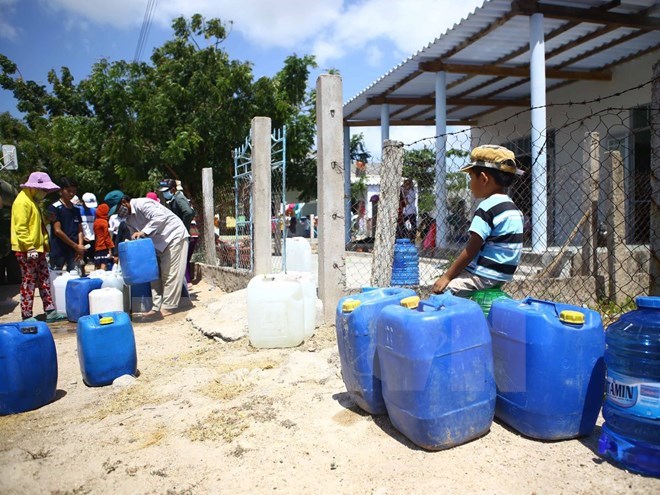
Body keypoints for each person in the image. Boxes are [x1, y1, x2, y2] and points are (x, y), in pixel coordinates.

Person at [432, 144, 524, 296]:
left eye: (471, 178)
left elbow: (471, 249)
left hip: (483, 275)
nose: (469, 184)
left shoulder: (487, 207)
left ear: (483, 178)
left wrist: (447, 276)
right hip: (501, 276)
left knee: (443, 293)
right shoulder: (513, 208)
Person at [106, 192, 190, 320]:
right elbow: (135, 235)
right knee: (153, 276)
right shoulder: (128, 219)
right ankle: (157, 307)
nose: (119, 213)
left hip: (173, 236)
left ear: (124, 202)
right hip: (155, 244)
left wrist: (143, 231)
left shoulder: (142, 203)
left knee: (170, 273)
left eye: (118, 209)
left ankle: (168, 306)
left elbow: (160, 216)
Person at [10, 172, 66, 322]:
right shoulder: (22, 202)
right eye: (44, 190)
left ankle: (50, 311)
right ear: (35, 187)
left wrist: (47, 219)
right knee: (28, 282)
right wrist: (29, 247)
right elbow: (20, 227)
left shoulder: (31, 201)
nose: (45, 193)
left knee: (44, 280)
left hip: (38, 248)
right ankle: (26, 315)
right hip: (26, 250)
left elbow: (33, 225)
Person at [48, 177, 84, 273]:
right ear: (61, 190)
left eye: (74, 191)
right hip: (58, 250)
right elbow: (57, 230)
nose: (71, 194)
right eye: (68, 191)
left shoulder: (76, 209)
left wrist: (80, 246)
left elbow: (80, 229)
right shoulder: (54, 208)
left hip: (74, 251)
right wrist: (75, 246)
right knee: (55, 277)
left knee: (76, 276)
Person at [93, 203, 114, 270]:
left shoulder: (96, 221)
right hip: (103, 246)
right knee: (103, 263)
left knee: (97, 264)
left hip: (97, 245)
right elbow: (106, 236)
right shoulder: (104, 222)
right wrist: (111, 246)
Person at [79, 192, 97, 269]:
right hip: (82, 238)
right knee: (82, 259)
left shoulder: (94, 211)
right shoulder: (78, 210)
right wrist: (82, 236)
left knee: (94, 258)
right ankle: (82, 274)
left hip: (93, 238)